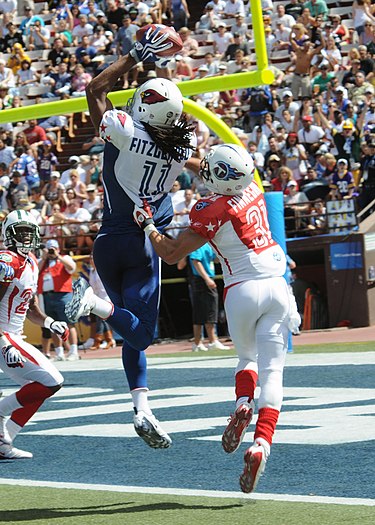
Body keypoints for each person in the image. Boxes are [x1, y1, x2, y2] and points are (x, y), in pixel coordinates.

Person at [132, 143, 300, 493]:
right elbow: (215, 170)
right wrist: (182, 158)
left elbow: (169, 251)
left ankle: (242, 403)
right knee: (273, 372)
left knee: (246, 359)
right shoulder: (252, 186)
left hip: (241, 289)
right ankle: (262, 444)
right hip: (276, 284)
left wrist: (147, 223)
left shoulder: (210, 209)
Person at [64, 27, 198, 450]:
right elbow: (185, 147)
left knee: (129, 329)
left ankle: (142, 408)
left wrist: (138, 54)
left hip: (108, 240)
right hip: (142, 244)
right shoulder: (179, 148)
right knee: (140, 335)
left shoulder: (121, 130)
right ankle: (94, 304)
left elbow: (97, 87)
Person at [0, 210, 68, 460]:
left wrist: (51, 323)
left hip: (13, 336)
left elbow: (30, 308)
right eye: (21, 231)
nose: (27, 237)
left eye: (30, 231)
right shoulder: (7, 260)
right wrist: (2, 340)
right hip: (4, 335)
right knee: (52, 380)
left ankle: (3, 441)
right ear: (9, 234)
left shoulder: (30, 262)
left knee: (39, 386)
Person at [37, 239, 79, 361]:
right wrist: (44, 257)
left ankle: (73, 351)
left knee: (69, 323)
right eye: (49, 249)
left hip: (63, 295)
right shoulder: (43, 262)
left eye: (53, 248)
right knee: (53, 324)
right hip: (46, 296)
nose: (51, 251)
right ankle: (59, 352)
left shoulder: (64, 258)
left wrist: (58, 256)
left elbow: (72, 267)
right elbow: (36, 272)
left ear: (58, 249)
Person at [188, 243, 230, 352]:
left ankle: (197, 343)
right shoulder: (198, 244)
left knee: (200, 311)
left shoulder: (207, 245)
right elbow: (195, 261)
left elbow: (215, 259)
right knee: (210, 310)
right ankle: (212, 340)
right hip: (204, 280)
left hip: (201, 281)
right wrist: (207, 279)